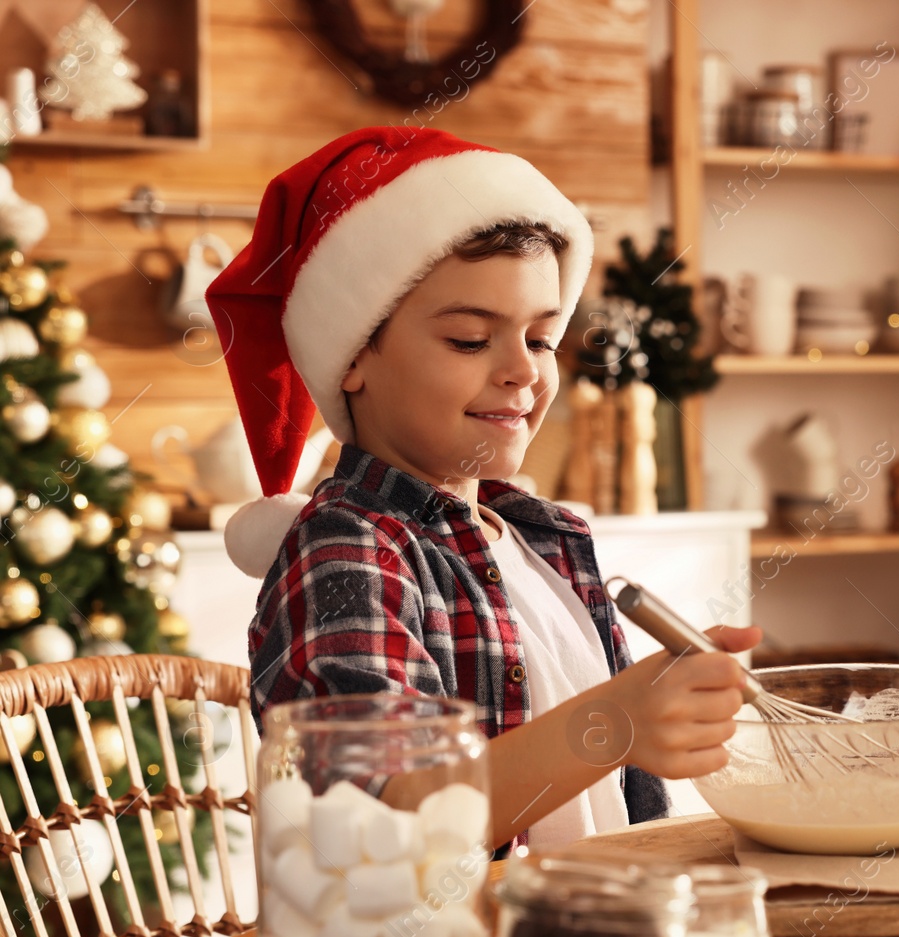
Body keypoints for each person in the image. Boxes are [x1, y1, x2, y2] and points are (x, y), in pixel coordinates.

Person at [207, 127, 753, 851]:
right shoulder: (347, 554)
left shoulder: (550, 539)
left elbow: (625, 812)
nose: (523, 371)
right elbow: (389, 821)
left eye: (541, 339)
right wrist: (614, 722)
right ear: (350, 357)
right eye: (470, 339)